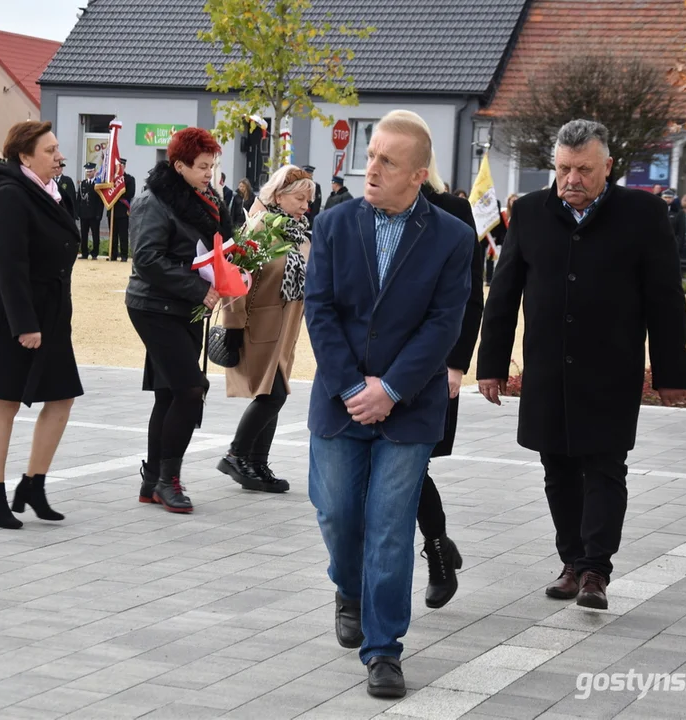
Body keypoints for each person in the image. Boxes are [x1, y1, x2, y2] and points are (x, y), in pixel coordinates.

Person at [476, 119, 686, 611]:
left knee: (605, 467)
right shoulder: (528, 213)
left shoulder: (642, 214)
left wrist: (671, 373)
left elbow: (665, 299)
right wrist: (491, 365)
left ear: (608, 167)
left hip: (610, 370)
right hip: (548, 371)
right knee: (557, 467)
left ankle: (596, 570)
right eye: (564, 168)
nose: (572, 179)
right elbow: (503, 296)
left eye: (584, 170)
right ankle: (571, 562)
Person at [305, 109, 472, 698]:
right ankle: (347, 588)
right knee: (337, 514)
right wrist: (354, 388)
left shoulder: (452, 238)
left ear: (418, 175)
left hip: (410, 407)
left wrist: (391, 389)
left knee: (391, 530)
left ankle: (384, 650)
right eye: (370, 154)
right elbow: (319, 311)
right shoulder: (333, 224)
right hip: (339, 401)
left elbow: (442, 323)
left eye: (385, 161)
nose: (369, 168)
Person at [0, 120, 83, 530]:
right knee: (5, 402)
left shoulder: (52, 191)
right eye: (49, 151)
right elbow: (9, 265)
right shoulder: (10, 194)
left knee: (62, 396)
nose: (59, 157)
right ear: (24, 156)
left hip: (50, 311)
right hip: (13, 314)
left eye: (57, 149)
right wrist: (25, 324)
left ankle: (33, 483)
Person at [126, 127, 233, 513]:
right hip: (154, 306)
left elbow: (214, 245)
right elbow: (148, 259)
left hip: (184, 306)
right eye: (202, 166)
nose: (209, 173)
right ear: (179, 165)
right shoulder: (153, 201)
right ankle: (168, 480)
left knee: (169, 393)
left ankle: (153, 479)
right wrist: (197, 288)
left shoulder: (201, 198)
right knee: (190, 390)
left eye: (212, 166)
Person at [414, 149, 485, 610]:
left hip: (434, 362)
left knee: (413, 462)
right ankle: (439, 548)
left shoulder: (452, 211)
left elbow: (470, 296)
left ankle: (438, 551)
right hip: (375, 366)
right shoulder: (361, 212)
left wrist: (457, 363)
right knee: (395, 466)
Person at [217, 165, 314, 493]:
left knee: (276, 392)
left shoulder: (297, 230)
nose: (305, 205)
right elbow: (234, 276)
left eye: (308, 199)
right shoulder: (261, 226)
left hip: (285, 328)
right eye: (300, 198)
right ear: (278, 195)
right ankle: (236, 455)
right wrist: (232, 325)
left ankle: (257, 463)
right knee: (271, 394)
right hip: (259, 322)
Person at [110, 158, 136, 262]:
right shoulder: (111, 179)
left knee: (123, 234)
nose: (119, 168)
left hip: (123, 210)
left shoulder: (129, 179)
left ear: (124, 167)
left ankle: (124, 255)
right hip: (112, 210)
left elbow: (130, 193)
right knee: (113, 234)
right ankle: (113, 255)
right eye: (117, 166)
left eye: (121, 166)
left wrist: (118, 193)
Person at [78, 162, 104, 259]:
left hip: (94, 215)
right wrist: (78, 212)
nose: (89, 173)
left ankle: (94, 253)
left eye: (90, 171)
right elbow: (79, 199)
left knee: (95, 235)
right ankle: (84, 253)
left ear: (94, 171)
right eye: (87, 171)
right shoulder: (83, 184)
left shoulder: (98, 184)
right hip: (84, 214)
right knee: (84, 235)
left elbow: (100, 201)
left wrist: (99, 214)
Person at [663, 188, 686, 258]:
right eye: (665, 197)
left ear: (673, 199)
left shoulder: (679, 212)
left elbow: (682, 232)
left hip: (672, 245)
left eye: (669, 197)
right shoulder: (656, 210)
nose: (667, 199)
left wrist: (679, 247)